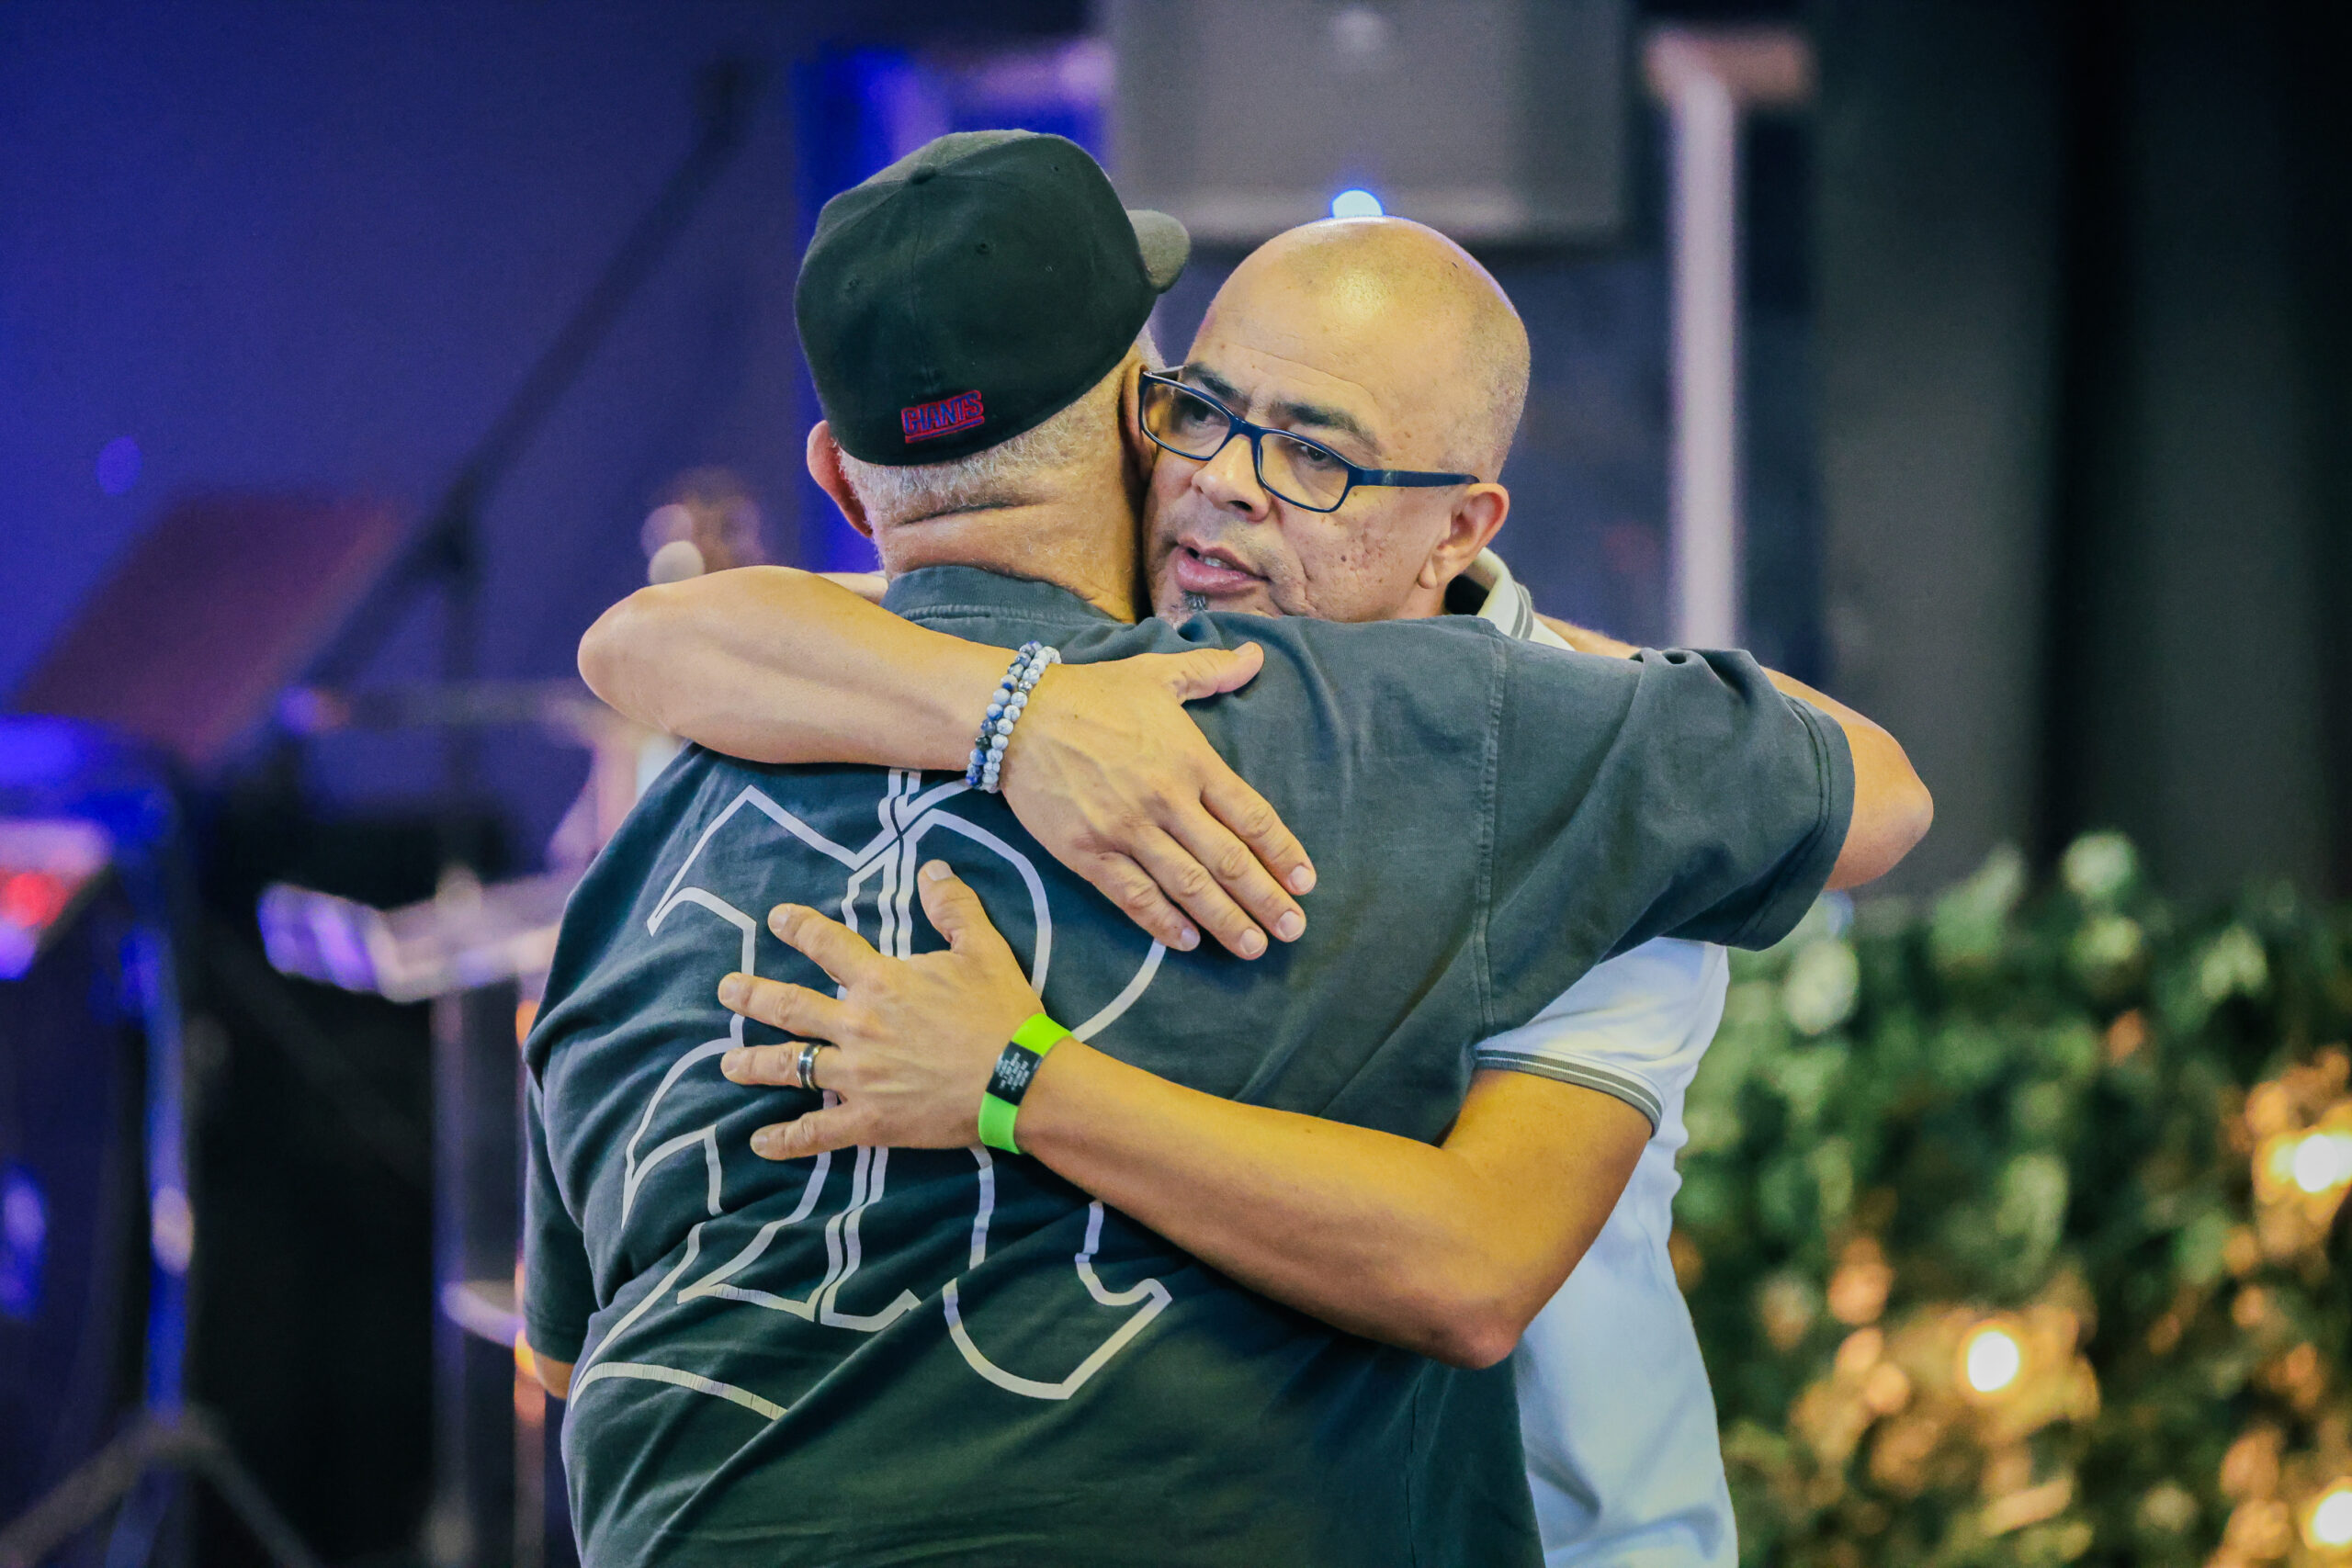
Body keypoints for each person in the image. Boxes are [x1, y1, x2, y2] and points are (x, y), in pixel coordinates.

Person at [526, 131, 1919, 1567]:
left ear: (1463, 528)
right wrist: (1024, 716)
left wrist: (1017, 1080)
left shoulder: (1554, 769)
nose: (1237, 484)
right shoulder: (969, 689)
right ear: (1140, 417)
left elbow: (1473, 1264)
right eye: (1205, 415)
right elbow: (643, 639)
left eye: (1316, 455)